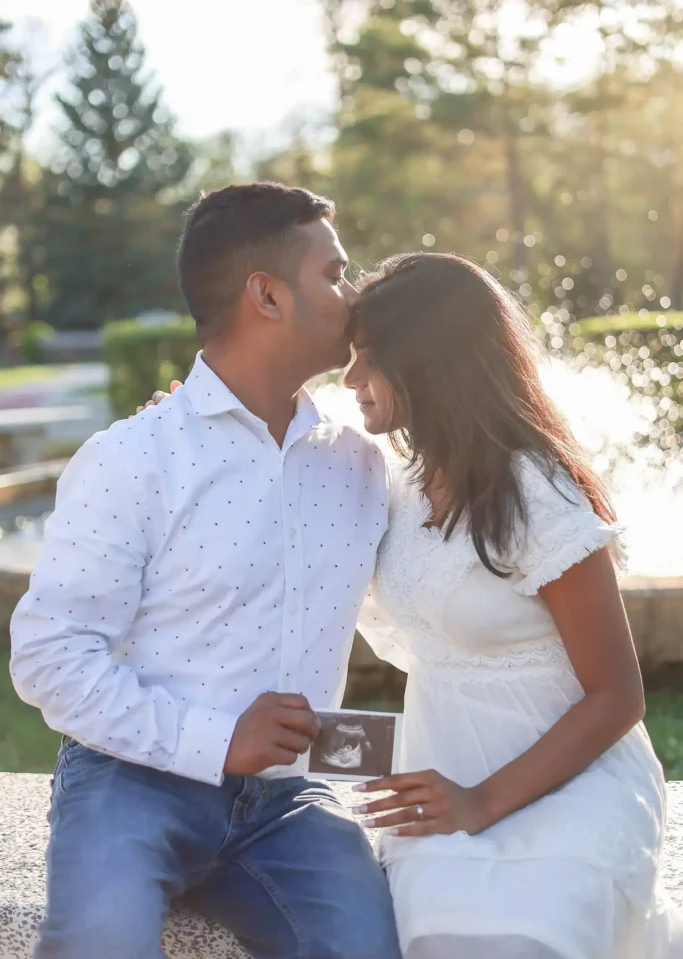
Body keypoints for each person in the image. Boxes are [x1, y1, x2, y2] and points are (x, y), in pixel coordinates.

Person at [9, 183, 402, 959]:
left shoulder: (361, 468)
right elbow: (50, 658)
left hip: (289, 805)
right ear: (267, 295)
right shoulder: (133, 458)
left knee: (370, 945)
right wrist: (215, 740)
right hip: (128, 785)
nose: (353, 294)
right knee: (99, 944)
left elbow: (421, 621)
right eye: (334, 272)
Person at [342, 252, 678, 958]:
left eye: (366, 359)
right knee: (433, 937)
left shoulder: (538, 494)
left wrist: (481, 801)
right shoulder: (394, 484)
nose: (348, 380)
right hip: (441, 777)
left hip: (571, 785)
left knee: (529, 939)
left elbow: (616, 696)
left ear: (428, 363)